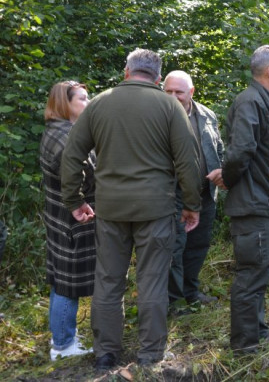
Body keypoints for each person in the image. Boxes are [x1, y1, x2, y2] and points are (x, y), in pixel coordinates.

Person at [61, 49, 202, 370]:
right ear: (157, 76)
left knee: (108, 280)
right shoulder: (169, 106)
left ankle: (106, 353)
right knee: (152, 280)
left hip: (110, 209)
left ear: (127, 71)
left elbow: (72, 155)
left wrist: (75, 200)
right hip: (156, 209)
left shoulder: (99, 103)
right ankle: (150, 354)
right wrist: (192, 205)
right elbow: (188, 162)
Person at [222, 45, 269, 353]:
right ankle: (245, 346)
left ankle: (258, 332)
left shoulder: (267, 102)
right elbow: (239, 153)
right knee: (251, 273)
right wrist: (228, 179)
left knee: (261, 269)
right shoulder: (250, 101)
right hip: (252, 202)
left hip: (265, 201)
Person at [40, 81, 96, 361]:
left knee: (61, 279)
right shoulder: (66, 138)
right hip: (72, 220)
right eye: (83, 99)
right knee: (67, 283)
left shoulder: (61, 130)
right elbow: (78, 180)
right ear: (65, 103)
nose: (88, 102)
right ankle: (62, 345)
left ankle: (63, 335)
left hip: (62, 218)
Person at [164, 71, 224, 307]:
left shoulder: (206, 115)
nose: (173, 96)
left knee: (198, 245)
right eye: (168, 91)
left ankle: (191, 293)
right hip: (172, 193)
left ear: (191, 92)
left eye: (178, 92)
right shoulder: (159, 115)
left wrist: (221, 171)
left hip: (205, 192)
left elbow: (219, 147)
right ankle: (175, 302)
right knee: (174, 249)